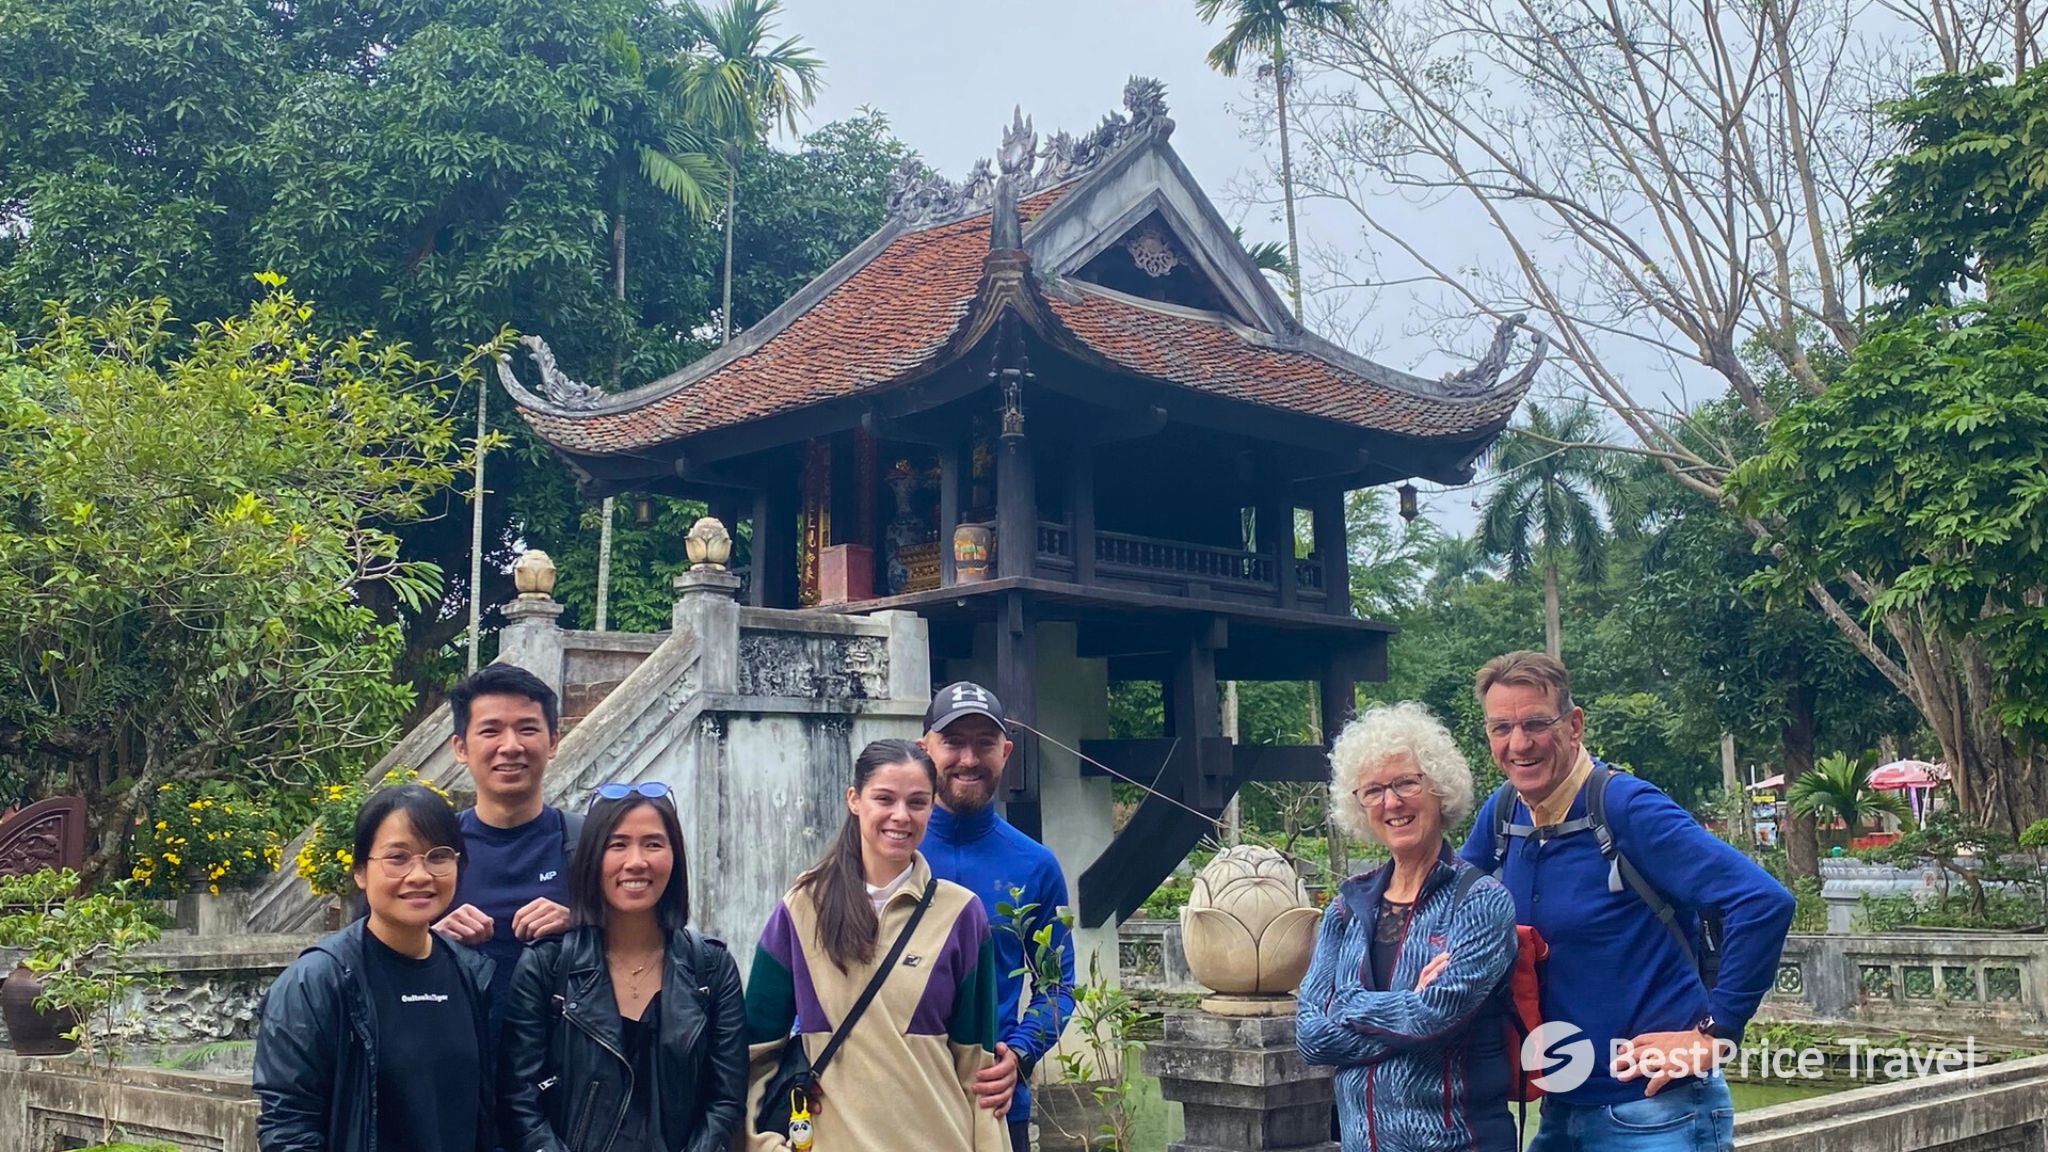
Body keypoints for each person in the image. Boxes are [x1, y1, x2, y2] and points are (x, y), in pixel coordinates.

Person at [1458, 651, 1796, 1151]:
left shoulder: (1624, 807)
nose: (1519, 743)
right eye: (1500, 728)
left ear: (1574, 725)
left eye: (1535, 723)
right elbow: (1454, 902)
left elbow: (1762, 901)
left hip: (1656, 1112)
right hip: (1561, 1109)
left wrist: (1714, 1033)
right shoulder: (1505, 812)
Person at [740, 738, 1006, 1152]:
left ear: (932, 806)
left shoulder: (962, 915)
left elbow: (978, 1071)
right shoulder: (803, 910)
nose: (900, 816)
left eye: (917, 802)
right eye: (884, 799)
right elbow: (754, 1053)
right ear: (854, 799)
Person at [1297, 701, 1520, 1152]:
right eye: (1374, 790)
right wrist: (1405, 1007)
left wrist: (1349, 1004)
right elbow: (1310, 1038)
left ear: (1439, 789)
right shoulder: (1348, 905)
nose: (1392, 802)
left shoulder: (1480, 901)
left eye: (1406, 783)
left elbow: (1434, 1016)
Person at [498, 781, 747, 1152]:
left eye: (653, 844)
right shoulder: (548, 966)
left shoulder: (710, 968)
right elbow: (519, 1102)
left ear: (674, 856)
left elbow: (725, 1100)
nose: (636, 861)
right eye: (617, 845)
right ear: (592, 858)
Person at [254, 784, 495, 1152]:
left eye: (438, 856)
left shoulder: (472, 974)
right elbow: (288, 1129)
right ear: (360, 872)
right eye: (398, 858)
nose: (419, 875)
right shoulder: (315, 982)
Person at [918, 681, 1075, 1152]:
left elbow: (1058, 985)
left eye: (984, 743)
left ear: (1005, 752)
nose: (968, 759)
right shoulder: (888, 851)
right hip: (897, 1101)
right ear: (925, 747)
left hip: (994, 1105)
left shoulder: (1035, 864)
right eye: (953, 742)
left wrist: (1021, 1054)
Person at [435, 664, 577, 1020]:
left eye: (527, 729)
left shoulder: (589, 845)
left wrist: (583, 925)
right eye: (490, 731)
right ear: (461, 747)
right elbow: (374, 950)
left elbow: (646, 948)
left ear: (554, 742)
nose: (510, 746)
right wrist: (432, 939)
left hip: (566, 1061)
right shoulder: (433, 853)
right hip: (456, 1058)